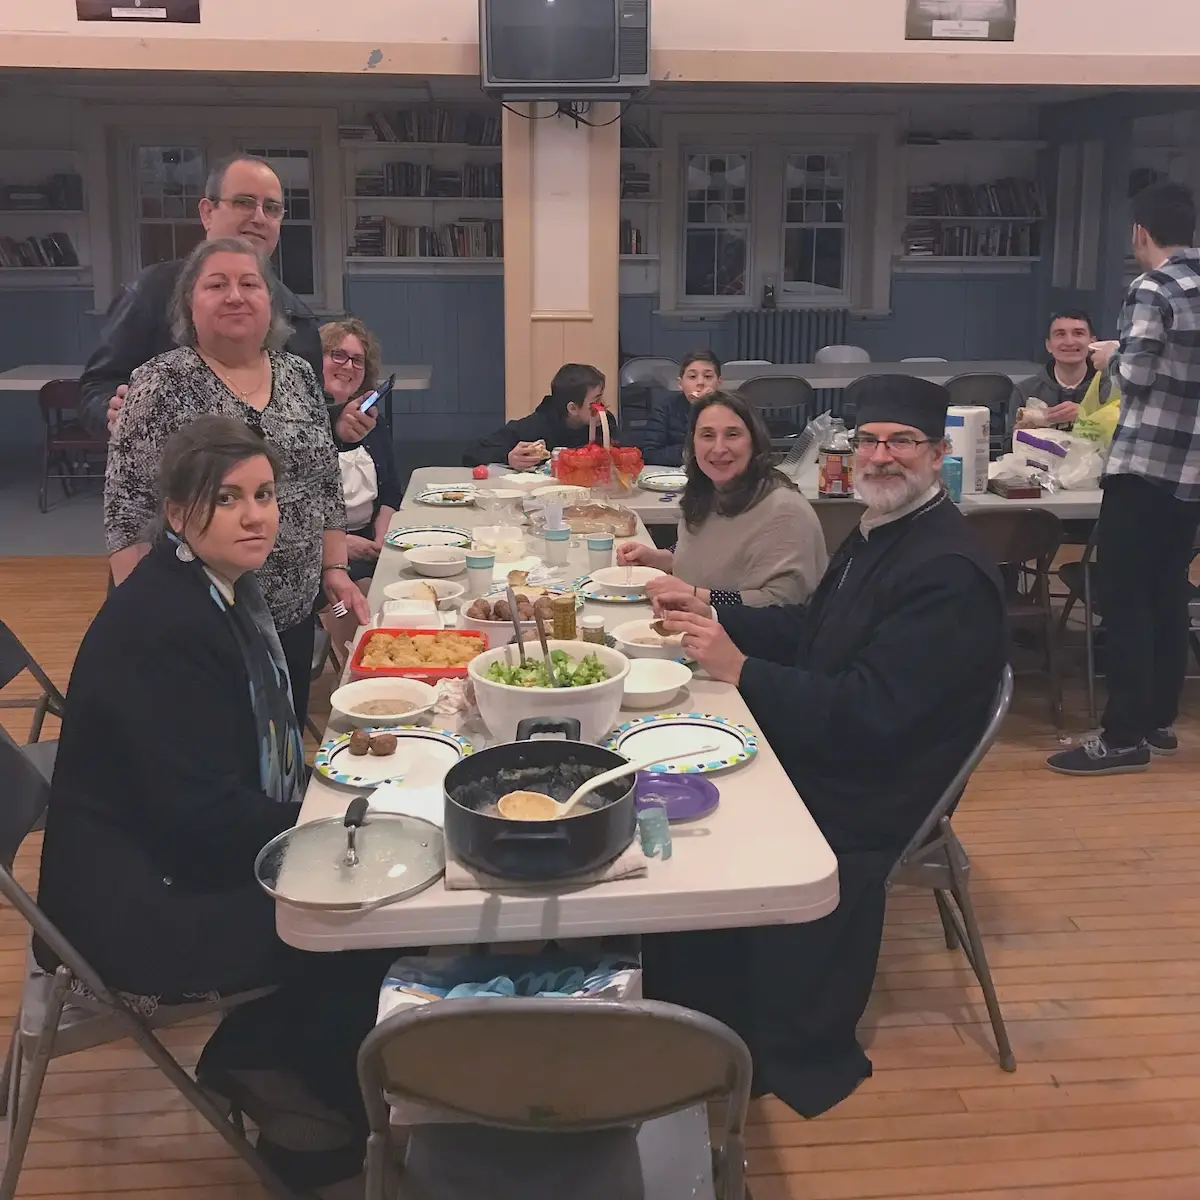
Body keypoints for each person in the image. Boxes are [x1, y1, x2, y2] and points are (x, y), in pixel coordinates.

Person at [37, 417, 397, 1190]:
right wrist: (335, 823)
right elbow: (200, 824)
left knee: (366, 872)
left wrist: (330, 809)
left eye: (263, 495)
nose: (255, 515)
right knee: (366, 913)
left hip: (167, 854)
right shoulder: (167, 627)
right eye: (227, 498)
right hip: (140, 902)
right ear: (177, 512)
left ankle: (279, 1066)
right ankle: (286, 1090)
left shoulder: (210, 590)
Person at [641, 375, 1007, 1119]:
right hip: (843, 742)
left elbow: (873, 715)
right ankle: (665, 982)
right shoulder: (883, 531)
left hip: (873, 786)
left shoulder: (946, 571)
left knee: (698, 804)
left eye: (901, 442)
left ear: (937, 453)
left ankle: (705, 1017)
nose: (881, 455)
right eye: (869, 441)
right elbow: (811, 629)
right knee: (670, 756)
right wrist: (710, 610)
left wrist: (742, 671)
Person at [103, 236, 368, 723]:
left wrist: (334, 569)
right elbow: (128, 509)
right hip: (197, 621)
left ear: (270, 302)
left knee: (280, 739)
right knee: (215, 742)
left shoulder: (298, 375)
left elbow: (325, 482)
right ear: (189, 302)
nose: (235, 296)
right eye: (216, 285)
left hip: (292, 607)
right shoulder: (159, 383)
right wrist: (140, 619)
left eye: (250, 284)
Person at [1048, 182, 1200, 776]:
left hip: (1147, 464)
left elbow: (1135, 376)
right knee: (1167, 590)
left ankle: (1122, 737)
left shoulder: (1152, 286)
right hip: (1192, 469)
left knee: (1124, 596)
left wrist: (1109, 355)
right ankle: (1159, 720)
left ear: (1140, 232)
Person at [79, 152, 375, 450]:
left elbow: (309, 419)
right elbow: (96, 388)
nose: (259, 218)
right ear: (207, 212)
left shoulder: (298, 317)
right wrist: (111, 412)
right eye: (244, 202)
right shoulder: (151, 292)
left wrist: (339, 424)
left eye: (271, 208)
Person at [618, 390, 826, 607]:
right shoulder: (710, 490)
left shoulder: (785, 511)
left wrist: (694, 594)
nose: (718, 448)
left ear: (754, 441)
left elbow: (781, 604)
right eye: (707, 435)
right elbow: (715, 552)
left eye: (732, 435)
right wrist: (663, 558)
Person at [320, 317, 403, 652]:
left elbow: (391, 492)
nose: (348, 366)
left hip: (370, 543)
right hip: (321, 556)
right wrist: (340, 545)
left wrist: (381, 536)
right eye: (337, 355)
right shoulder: (302, 425)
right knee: (367, 611)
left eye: (357, 360)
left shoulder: (370, 423)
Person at [462, 363, 619, 470]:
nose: (604, 406)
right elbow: (472, 453)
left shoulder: (605, 424)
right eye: (596, 401)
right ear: (572, 408)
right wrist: (509, 457)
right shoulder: (535, 426)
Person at [1012, 310, 1112, 432]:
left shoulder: (1111, 389)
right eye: (1060, 334)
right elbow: (1009, 442)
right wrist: (1021, 434)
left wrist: (1085, 418)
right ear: (1048, 345)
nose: (1069, 342)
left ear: (1093, 342)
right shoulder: (1025, 391)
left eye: (1078, 333)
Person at [639, 349, 722, 466]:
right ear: (680, 383)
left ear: (719, 382)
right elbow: (649, 453)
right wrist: (688, 452)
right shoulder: (665, 408)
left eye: (708, 376)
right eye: (692, 376)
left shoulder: (730, 409)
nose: (700, 382)